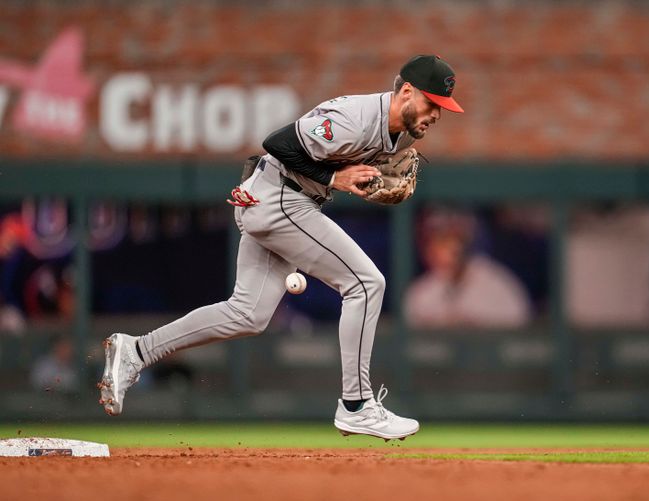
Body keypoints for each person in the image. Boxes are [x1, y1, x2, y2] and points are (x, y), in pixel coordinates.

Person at [98, 54, 464, 441]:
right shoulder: (354, 119)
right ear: (406, 91)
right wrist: (334, 177)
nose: (437, 114)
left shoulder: (398, 132)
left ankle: (136, 351)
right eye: (432, 103)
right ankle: (356, 405)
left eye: (443, 108)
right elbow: (277, 141)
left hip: (280, 199)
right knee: (365, 283)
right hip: (281, 200)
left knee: (247, 314)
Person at [404, 209, 533, 329]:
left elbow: (520, 323)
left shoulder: (497, 283)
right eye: (439, 240)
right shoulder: (421, 292)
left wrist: (473, 324)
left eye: (452, 239)